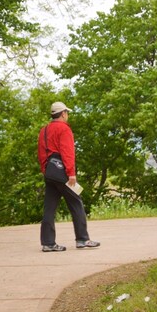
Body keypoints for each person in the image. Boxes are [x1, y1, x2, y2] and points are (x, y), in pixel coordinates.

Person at [37, 101, 100, 252]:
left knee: (49, 209)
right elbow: (67, 152)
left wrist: (45, 170)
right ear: (63, 113)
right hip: (63, 173)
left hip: (50, 173)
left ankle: (48, 243)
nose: (68, 116)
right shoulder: (64, 129)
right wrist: (71, 173)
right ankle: (82, 239)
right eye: (67, 113)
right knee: (76, 202)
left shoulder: (44, 130)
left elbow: (41, 153)